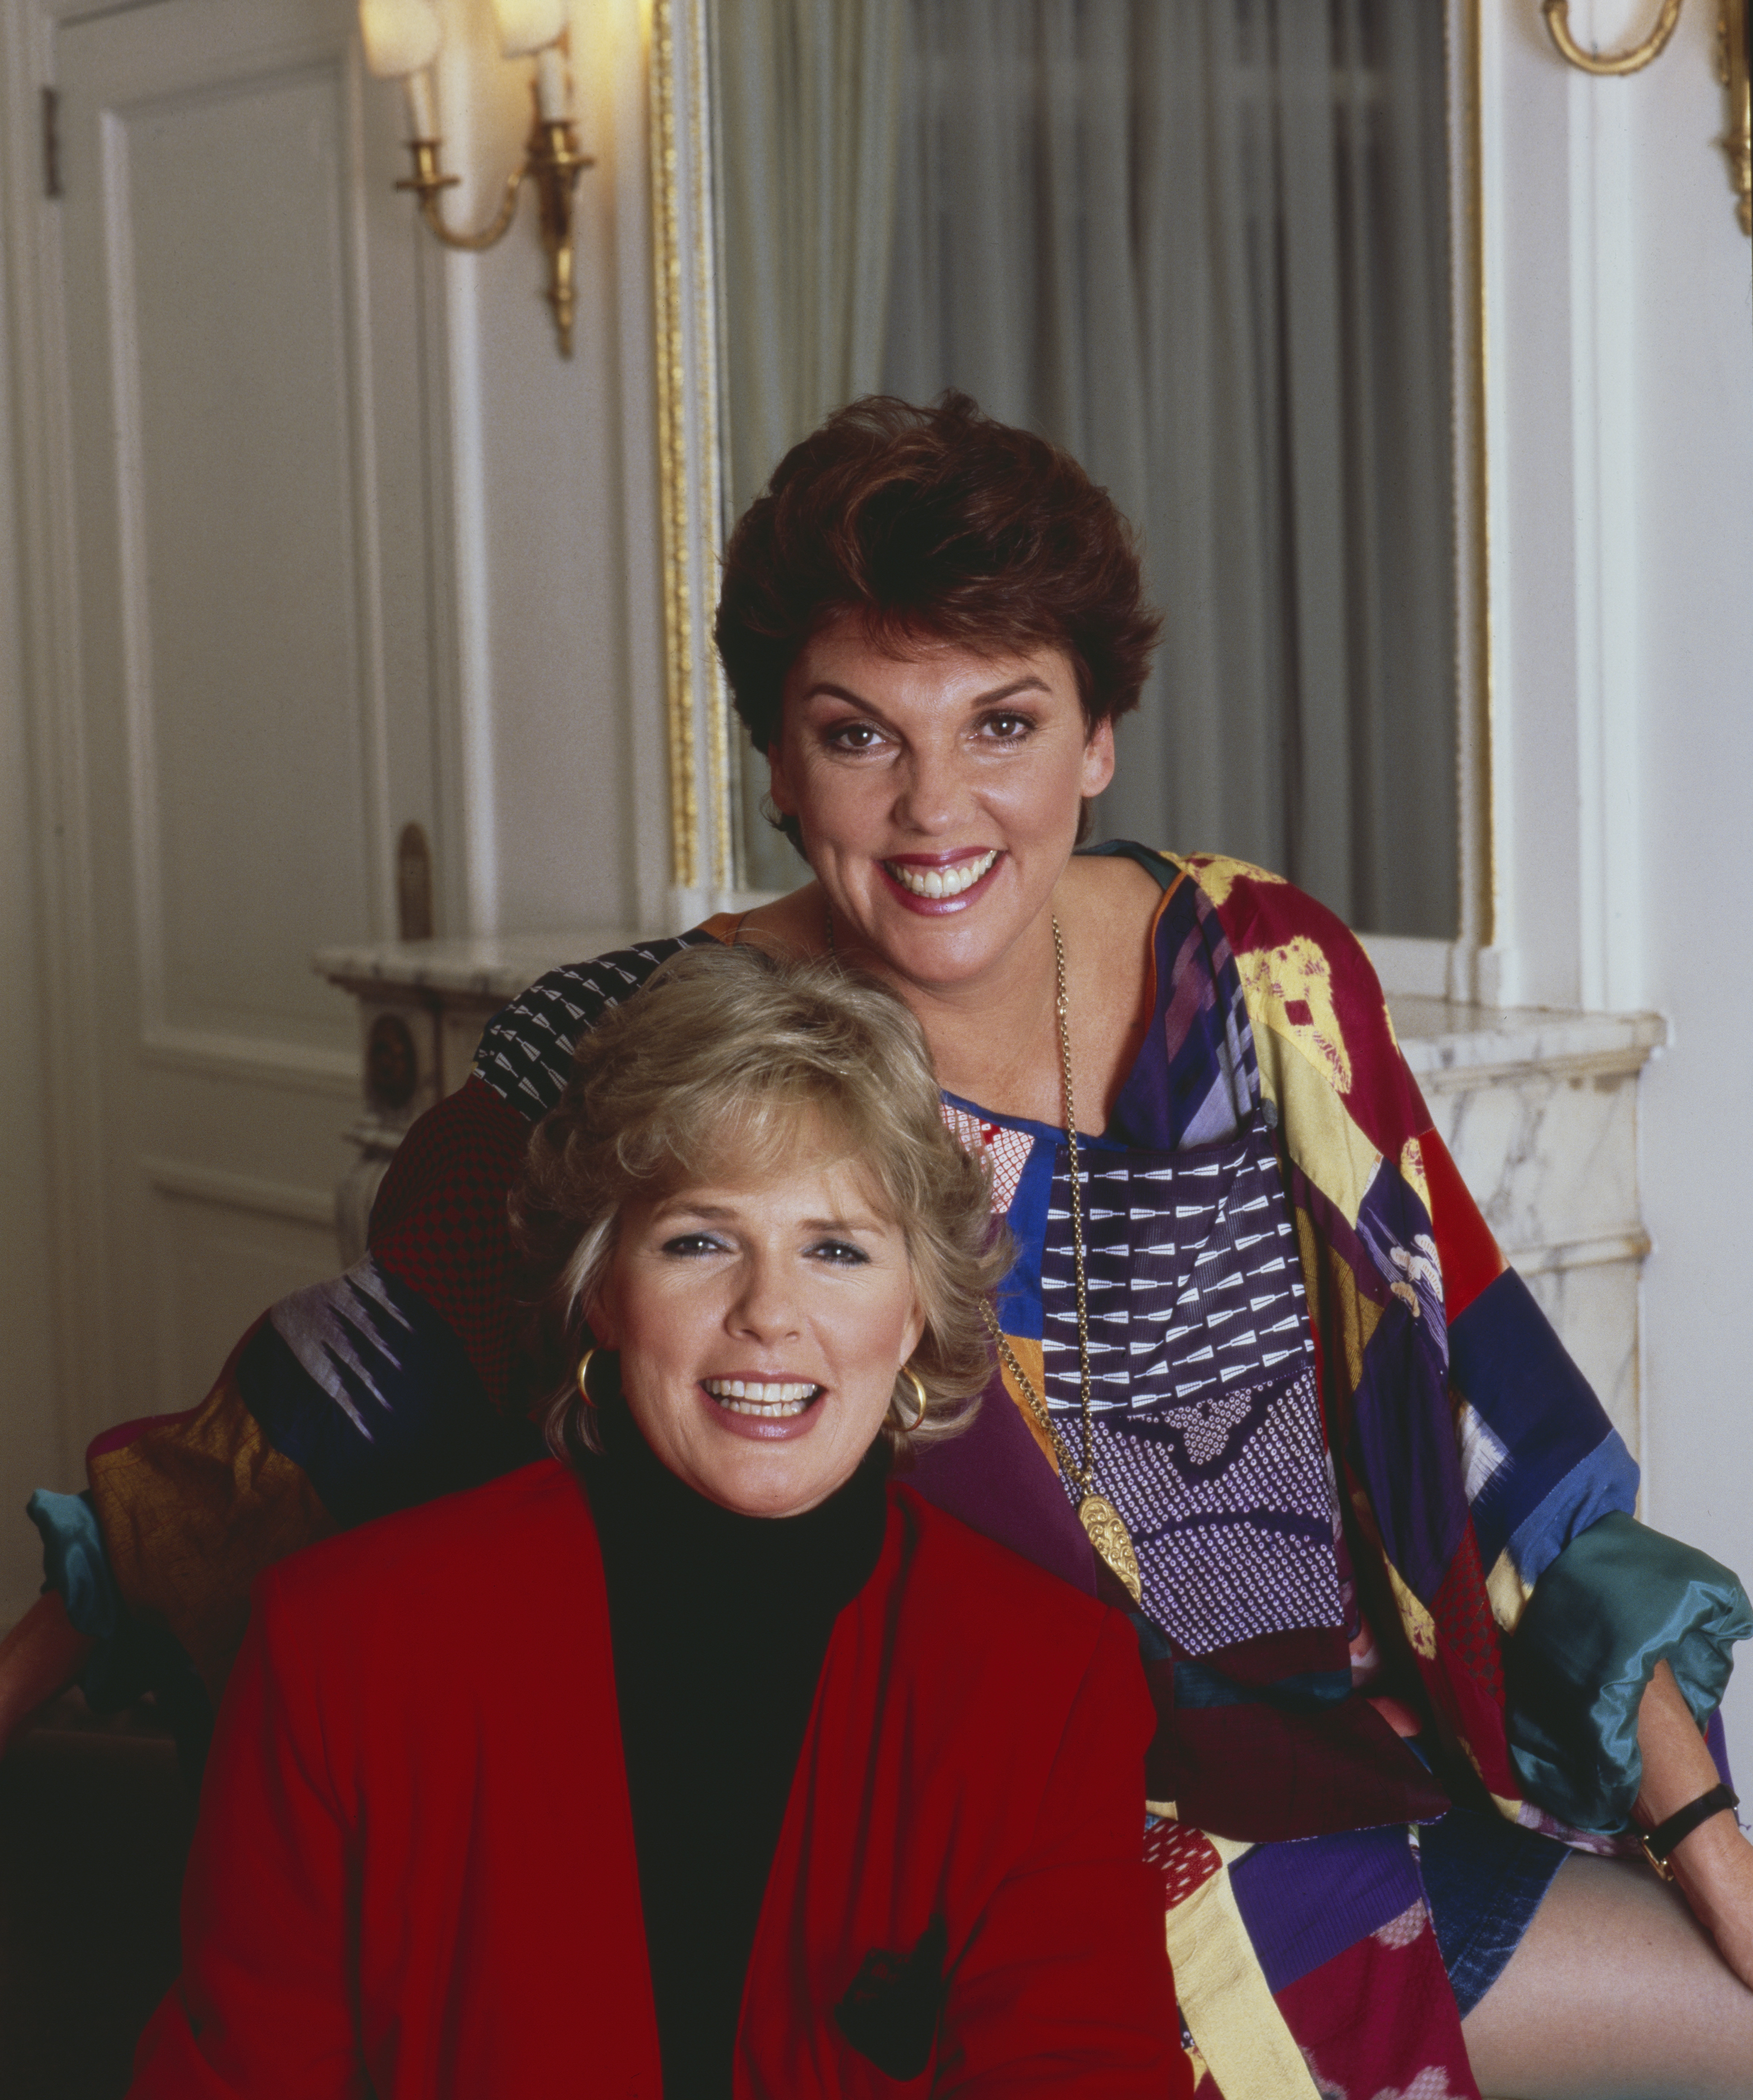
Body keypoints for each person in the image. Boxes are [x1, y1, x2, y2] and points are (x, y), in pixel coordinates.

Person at [11, 390, 1753, 2097]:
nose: (937, 809)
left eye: (1002, 723)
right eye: (860, 735)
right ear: (775, 756)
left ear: (1097, 737)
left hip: (1357, 1774)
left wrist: (1699, 1835)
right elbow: (325, 1410)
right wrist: (59, 1636)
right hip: (1009, 1852)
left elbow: (1496, 1429)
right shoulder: (649, 1034)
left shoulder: (1262, 975)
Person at [127, 945, 1184, 2098]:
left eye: (834, 1247)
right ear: (601, 1288)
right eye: (698, 1240)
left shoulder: (1043, 1682)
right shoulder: (342, 1647)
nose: (769, 1314)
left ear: (916, 1305)